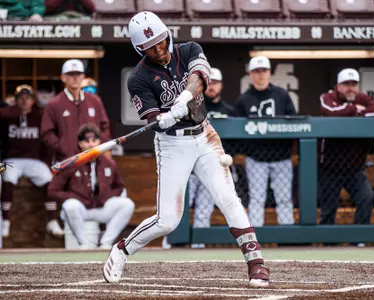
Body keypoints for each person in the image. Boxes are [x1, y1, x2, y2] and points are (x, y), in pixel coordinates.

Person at [102, 11, 269, 288]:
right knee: (168, 221)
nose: (158, 50)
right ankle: (122, 249)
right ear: (139, 50)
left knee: (228, 198)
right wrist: (162, 119)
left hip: (205, 135)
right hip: (172, 144)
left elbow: (201, 75)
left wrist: (183, 99)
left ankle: (256, 264)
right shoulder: (138, 78)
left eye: (160, 41)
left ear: (167, 35)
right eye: (149, 47)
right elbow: (152, 120)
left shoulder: (189, 49)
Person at [48, 124, 135, 250]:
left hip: (101, 207)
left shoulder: (108, 163)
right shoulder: (71, 163)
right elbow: (53, 191)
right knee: (70, 205)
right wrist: (75, 197)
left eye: (94, 141)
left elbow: (119, 187)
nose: (91, 145)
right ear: (80, 144)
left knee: (127, 204)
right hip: (81, 209)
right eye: (87, 141)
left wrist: (105, 198)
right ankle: (83, 244)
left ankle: (106, 243)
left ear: (99, 142)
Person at [232, 56, 296, 227]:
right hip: (256, 159)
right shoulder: (243, 99)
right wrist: (249, 151)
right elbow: (237, 130)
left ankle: (286, 237)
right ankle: (255, 238)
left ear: (269, 73)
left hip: (281, 157)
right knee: (256, 199)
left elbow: (294, 123)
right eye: (256, 72)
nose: (260, 75)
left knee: (284, 199)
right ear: (250, 75)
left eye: (264, 71)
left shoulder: (282, 95)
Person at [319, 69, 374, 230]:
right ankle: (328, 243)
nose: (350, 88)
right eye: (346, 84)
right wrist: (356, 109)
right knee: (329, 207)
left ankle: (359, 239)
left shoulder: (364, 98)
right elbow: (330, 112)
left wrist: (350, 110)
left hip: (355, 168)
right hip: (330, 167)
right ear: (338, 86)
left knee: (366, 198)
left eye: (353, 84)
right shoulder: (328, 97)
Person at [0, 85, 64, 238]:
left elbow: (47, 142)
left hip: (33, 160)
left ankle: (52, 221)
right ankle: (6, 222)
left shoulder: (39, 116)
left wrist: (47, 162)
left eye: (27, 97)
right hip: (11, 159)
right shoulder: (7, 115)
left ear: (33, 100)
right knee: (7, 178)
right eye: (21, 98)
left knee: (49, 179)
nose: (24, 101)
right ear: (15, 100)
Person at [188, 67, 233, 248]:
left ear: (221, 85)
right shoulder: (193, 105)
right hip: (191, 166)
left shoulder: (229, 109)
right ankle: (170, 244)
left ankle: (198, 246)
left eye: (215, 83)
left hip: (213, 166)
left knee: (204, 209)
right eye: (209, 83)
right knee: (179, 207)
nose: (212, 86)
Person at [40, 59, 111, 163]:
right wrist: (62, 147)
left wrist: (98, 145)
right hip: (66, 160)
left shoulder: (94, 100)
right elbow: (46, 132)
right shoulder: (54, 104)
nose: (75, 78)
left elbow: (105, 126)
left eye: (78, 74)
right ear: (63, 78)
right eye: (71, 74)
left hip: (92, 157)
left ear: (83, 76)